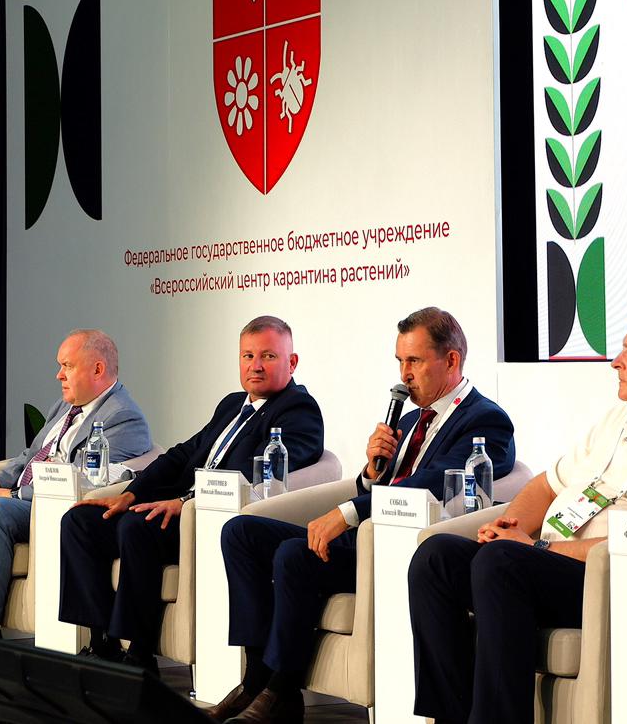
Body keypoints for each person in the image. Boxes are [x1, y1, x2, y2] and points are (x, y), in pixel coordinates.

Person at [407, 305, 627, 724]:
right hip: (541, 562)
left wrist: (536, 547)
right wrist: (509, 525)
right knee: (436, 558)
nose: (616, 362)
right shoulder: (619, 418)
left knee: (502, 562)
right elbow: (547, 485)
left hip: (604, 579)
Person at [210, 307, 516, 723]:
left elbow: (431, 483)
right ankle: (255, 680)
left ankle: (281, 691)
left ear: (451, 360)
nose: (404, 375)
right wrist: (372, 472)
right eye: (400, 361)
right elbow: (381, 488)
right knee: (241, 532)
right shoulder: (411, 419)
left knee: (294, 554)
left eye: (415, 361)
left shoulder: (485, 421)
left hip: (404, 549)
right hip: (368, 536)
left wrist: (349, 513)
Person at [57, 316, 324, 668]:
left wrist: (185, 502)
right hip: (177, 504)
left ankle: (139, 655)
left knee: (136, 527)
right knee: (80, 521)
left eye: (268, 356)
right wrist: (131, 494)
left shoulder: (298, 410)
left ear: (292, 362)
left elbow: (259, 474)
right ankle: (101, 643)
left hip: (212, 517)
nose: (255, 366)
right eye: (247, 356)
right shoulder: (232, 404)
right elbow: (182, 454)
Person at [0, 329, 152, 637]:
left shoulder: (124, 417)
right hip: (18, 501)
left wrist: (13, 494)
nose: (59, 375)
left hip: (54, 509)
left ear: (97, 369)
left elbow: (88, 481)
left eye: (67, 366)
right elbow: (31, 455)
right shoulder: (64, 406)